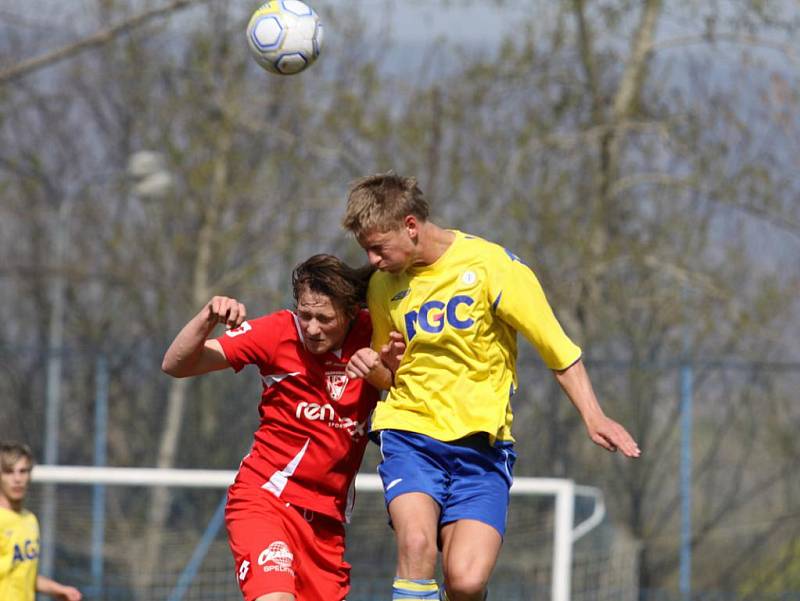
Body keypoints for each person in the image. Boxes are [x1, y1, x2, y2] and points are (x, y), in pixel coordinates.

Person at [342, 173, 642, 601]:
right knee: (416, 546)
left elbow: (556, 347)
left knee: (466, 581)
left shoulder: (491, 267)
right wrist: (380, 367)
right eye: (366, 251)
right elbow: (388, 376)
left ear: (411, 225)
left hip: (481, 449)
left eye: (378, 247)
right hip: (410, 435)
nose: (372, 260)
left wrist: (594, 415)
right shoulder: (382, 286)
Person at [162, 254, 398, 601]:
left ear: (350, 314)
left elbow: (407, 380)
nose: (313, 328)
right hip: (266, 500)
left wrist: (384, 371)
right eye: (306, 315)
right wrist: (207, 316)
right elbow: (175, 364)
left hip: (326, 524)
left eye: (324, 318)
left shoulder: (372, 332)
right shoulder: (276, 332)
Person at [0, 441, 83, 601]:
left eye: (23, 471)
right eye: (9, 472)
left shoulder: (29, 520)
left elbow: (25, 575)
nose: (17, 479)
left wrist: (58, 589)